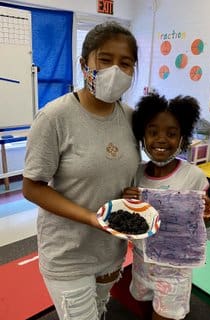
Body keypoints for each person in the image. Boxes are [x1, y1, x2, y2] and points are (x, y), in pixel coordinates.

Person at [22, 21, 140, 320]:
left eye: (125, 63)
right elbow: (32, 187)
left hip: (111, 250)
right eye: (105, 59)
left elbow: (125, 173)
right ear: (83, 63)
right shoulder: (54, 117)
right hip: (68, 254)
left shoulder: (131, 117)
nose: (115, 70)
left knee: (99, 310)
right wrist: (91, 218)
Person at [123, 92, 210, 320]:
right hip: (142, 262)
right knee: (145, 308)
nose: (161, 139)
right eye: (153, 132)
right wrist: (127, 203)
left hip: (174, 269)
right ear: (142, 135)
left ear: (182, 138)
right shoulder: (136, 174)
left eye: (171, 133)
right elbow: (129, 223)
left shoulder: (193, 176)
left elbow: (201, 223)